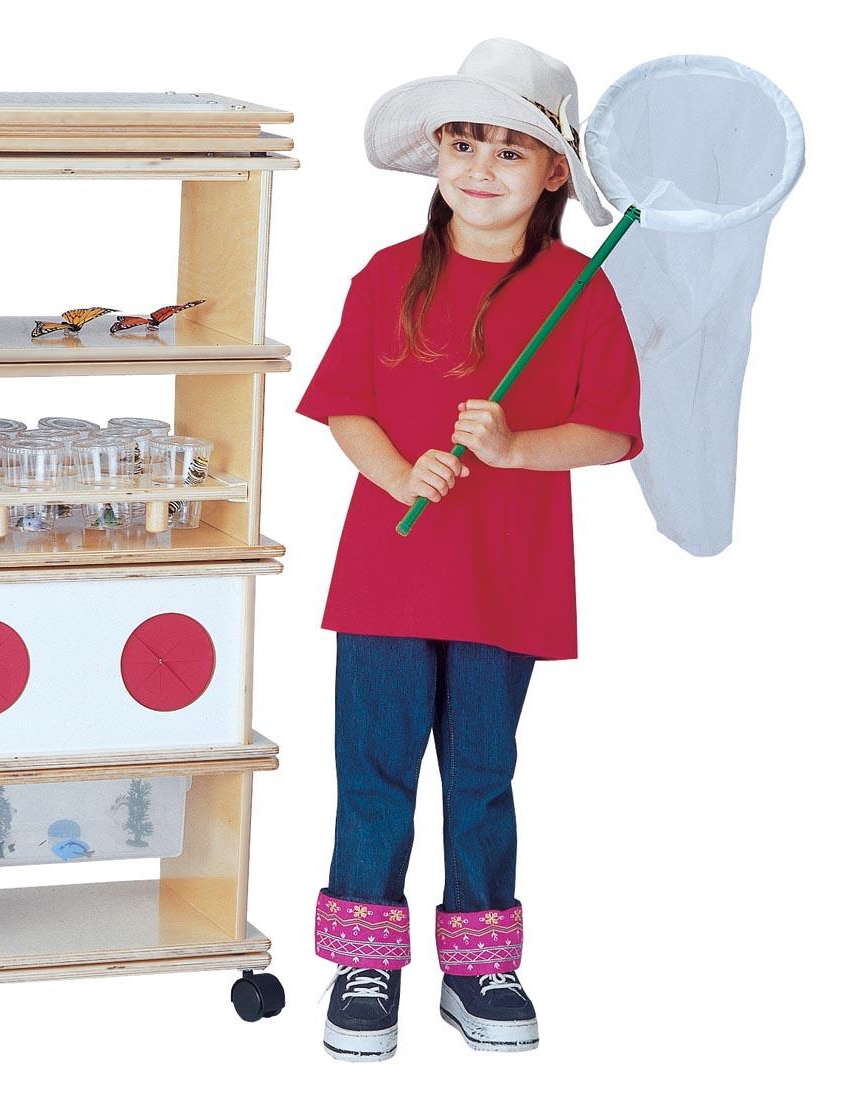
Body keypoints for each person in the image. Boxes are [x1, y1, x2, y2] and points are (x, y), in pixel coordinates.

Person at [296, 38, 643, 1061]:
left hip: (505, 582)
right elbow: (344, 407)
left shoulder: (580, 288)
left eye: (509, 149)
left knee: (483, 775)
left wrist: (514, 444)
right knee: (372, 774)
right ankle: (366, 960)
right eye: (463, 143)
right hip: (384, 579)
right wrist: (401, 473)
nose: (480, 168)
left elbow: (612, 430)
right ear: (436, 155)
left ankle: (476, 962)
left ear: (550, 174)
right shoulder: (386, 275)